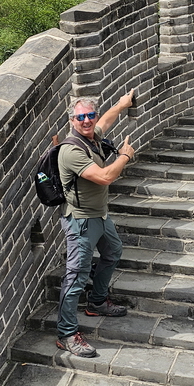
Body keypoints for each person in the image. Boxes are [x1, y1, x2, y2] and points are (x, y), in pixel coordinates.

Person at [56, 90, 136, 358]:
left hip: (100, 216)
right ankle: (67, 333)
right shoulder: (71, 150)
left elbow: (107, 120)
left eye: (90, 115)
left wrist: (122, 104)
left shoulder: (92, 137)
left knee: (113, 252)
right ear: (72, 120)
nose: (87, 121)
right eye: (81, 117)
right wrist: (124, 156)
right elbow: (103, 177)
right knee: (76, 276)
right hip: (81, 221)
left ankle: (97, 302)